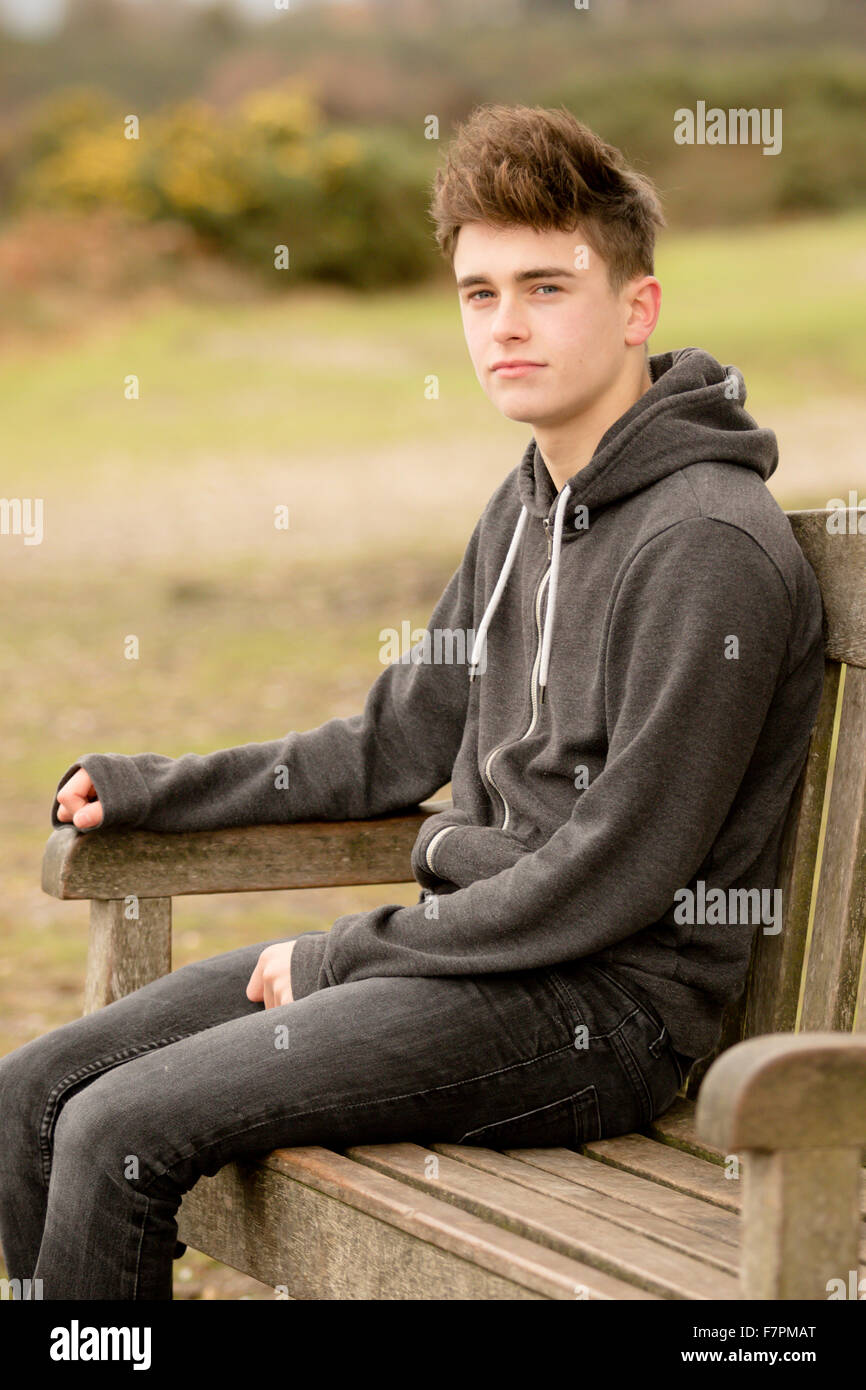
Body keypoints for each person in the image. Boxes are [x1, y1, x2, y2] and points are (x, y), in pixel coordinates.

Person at [0, 103, 825, 1300]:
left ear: (635, 307)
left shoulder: (705, 543)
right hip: (466, 965)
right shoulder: (530, 499)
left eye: (545, 286)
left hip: (602, 1010)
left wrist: (338, 955)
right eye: (478, 293)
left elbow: (616, 870)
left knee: (115, 1131)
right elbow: (393, 743)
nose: (505, 326)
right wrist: (153, 788)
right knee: (33, 1095)